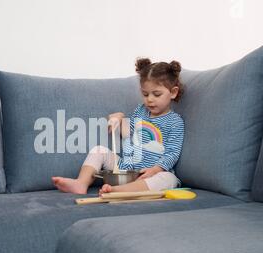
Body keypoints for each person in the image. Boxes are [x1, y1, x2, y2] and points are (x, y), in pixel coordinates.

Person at [52, 58, 185, 195]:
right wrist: (119, 117)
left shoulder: (175, 122)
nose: (149, 99)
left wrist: (156, 169)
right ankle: (81, 183)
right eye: (145, 94)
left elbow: (172, 153)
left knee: (168, 179)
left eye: (156, 94)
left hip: (152, 174)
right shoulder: (140, 111)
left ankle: (117, 190)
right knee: (99, 150)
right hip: (128, 169)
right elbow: (128, 134)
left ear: (173, 93)